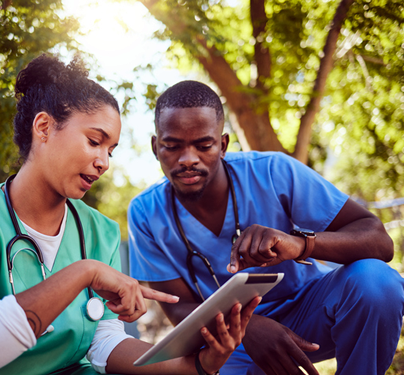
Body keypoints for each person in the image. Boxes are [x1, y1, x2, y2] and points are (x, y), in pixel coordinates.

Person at [0, 57, 259, 375]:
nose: (104, 161)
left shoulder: (98, 231)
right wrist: (83, 273)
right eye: (94, 141)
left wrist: (196, 365)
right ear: (43, 128)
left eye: (111, 150)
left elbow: (103, 343)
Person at [127, 80, 404, 375]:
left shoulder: (273, 171)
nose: (187, 159)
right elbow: (177, 307)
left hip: (310, 310)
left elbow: (379, 242)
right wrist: (246, 327)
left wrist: (300, 243)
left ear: (222, 145)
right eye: (172, 146)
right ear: (156, 147)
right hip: (230, 339)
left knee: (375, 282)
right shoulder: (145, 212)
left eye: (203, 145)